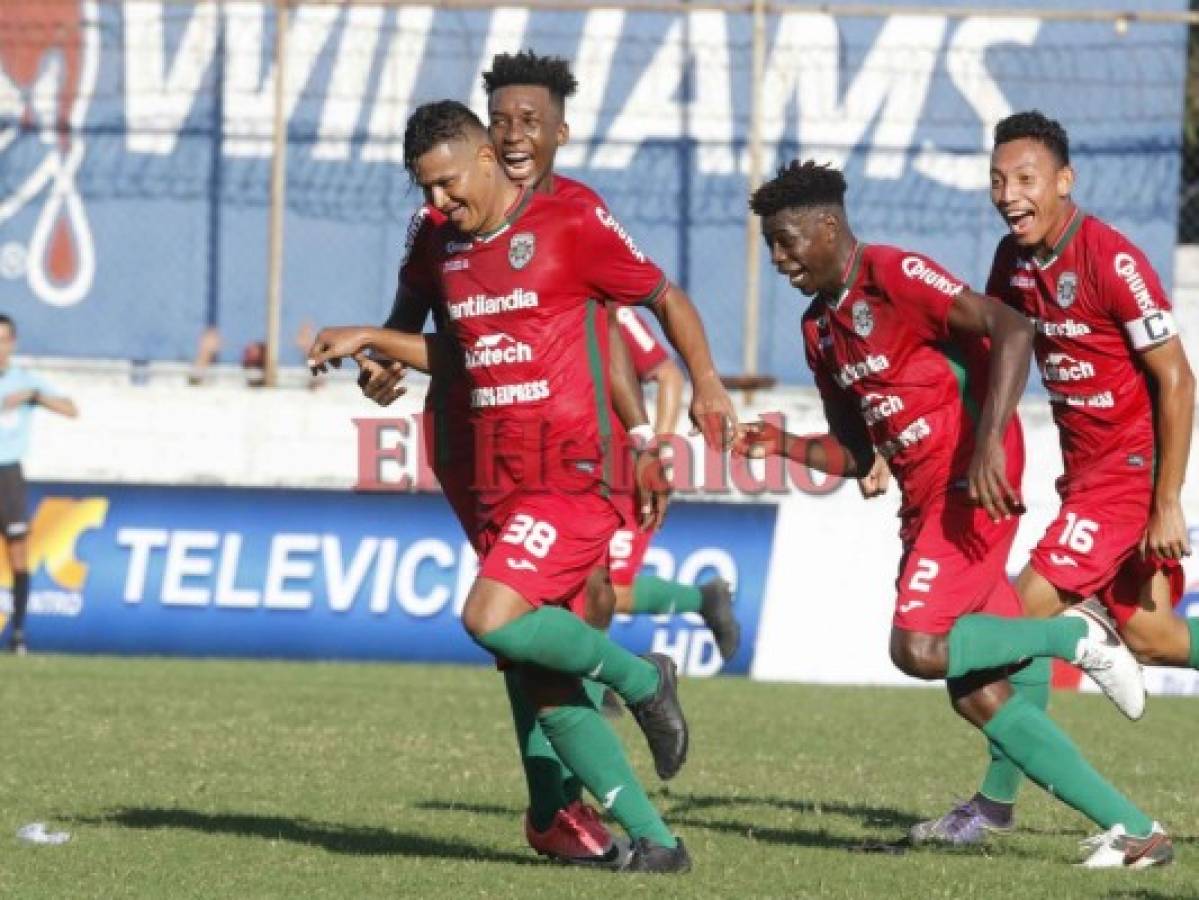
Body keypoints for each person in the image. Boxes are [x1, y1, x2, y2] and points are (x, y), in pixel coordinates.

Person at [310, 99, 737, 874]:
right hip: (494, 481)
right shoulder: (443, 244)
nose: (436, 203)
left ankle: (643, 678)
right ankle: (648, 841)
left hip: (570, 477)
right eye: (424, 190)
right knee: (534, 670)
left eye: (445, 184)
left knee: (491, 615)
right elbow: (460, 352)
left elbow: (663, 297)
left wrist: (703, 384)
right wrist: (378, 349)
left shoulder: (569, 226)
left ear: (483, 159)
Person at [736, 159, 1172, 868]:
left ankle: (1073, 637)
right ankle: (1134, 831)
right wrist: (778, 443)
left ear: (827, 227)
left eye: (787, 242)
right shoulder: (820, 331)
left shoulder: (892, 273)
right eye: (770, 248)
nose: (780, 260)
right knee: (975, 691)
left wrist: (986, 452)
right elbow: (854, 453)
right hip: (923, 504)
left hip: (970, 489)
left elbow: (1010, 328)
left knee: (917, 647)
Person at [910, 111, 1195, 859]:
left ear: (1064, 182)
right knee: (1154, 637)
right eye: (998, 179)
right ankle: (1001, 798)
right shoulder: (1012, 261)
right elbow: (983, 350)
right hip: (1088, 479)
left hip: (1126, 480)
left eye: (1026, 178)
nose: (1008, 192)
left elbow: (1176, 378)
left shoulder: (1113, 259)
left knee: (1008, 621)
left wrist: (1166, 500)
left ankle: (995, 807)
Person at [593, 307, 739, 660]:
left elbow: (668, 375)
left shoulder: (615, 312)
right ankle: (587, 682)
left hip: (624, 475)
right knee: (578, 584)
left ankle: (704, 599)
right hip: (574, 470)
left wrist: (655, 450)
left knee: (615, 590)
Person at [0, 315, 78, 654]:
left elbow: (71, 409)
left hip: (8, 476)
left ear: (12, 343)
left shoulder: (24, 381)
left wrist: (34, 397)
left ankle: (18, 634)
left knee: (19, 553)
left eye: (3, 340)